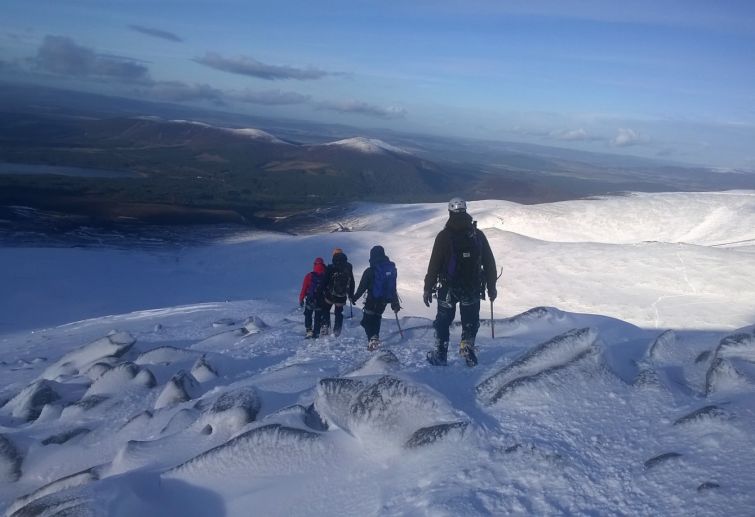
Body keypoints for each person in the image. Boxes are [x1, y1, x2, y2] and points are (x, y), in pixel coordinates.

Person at [423, 197, 497, 366]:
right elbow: (489, 263)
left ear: (450, 212)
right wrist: (492, 287)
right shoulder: (477, 235)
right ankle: (467, 347)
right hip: (472, 287)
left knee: (443, 321)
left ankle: (441, 354)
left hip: (448, 288)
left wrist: (428, 288)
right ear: (466, 211)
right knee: (470, 319)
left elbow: (434, 265)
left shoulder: (443, 236)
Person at [352, 245, 401, 350]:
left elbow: (362, 287)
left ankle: (372, 339)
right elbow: (393, 287)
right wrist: (395, 303)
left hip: (372, 300)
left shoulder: (370, 271)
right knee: (377, 317)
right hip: (384, 301)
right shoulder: (391, 269)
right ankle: (375, 337)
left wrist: (354, 298)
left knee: (366, 321)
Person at [321, 248, 355, 337]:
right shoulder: (348, 267)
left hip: (330, 294)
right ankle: (337, 331)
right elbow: (351, 281)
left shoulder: (331, 267)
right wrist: (351, 294)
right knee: (338, 312)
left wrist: (322, 290)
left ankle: (325, 326)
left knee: (325, 309)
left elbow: (324, 281)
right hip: (342, 295)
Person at [299, 257, 327, 339]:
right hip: (320, 299)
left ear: (314, 265)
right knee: (318, 316)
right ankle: (317, 332)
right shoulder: (325, 275)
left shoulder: (309, 275)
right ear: (323, 265)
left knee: (308, 314)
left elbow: (304, 288)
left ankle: (309, 330)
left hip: (310, 298)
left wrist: (301, 299)